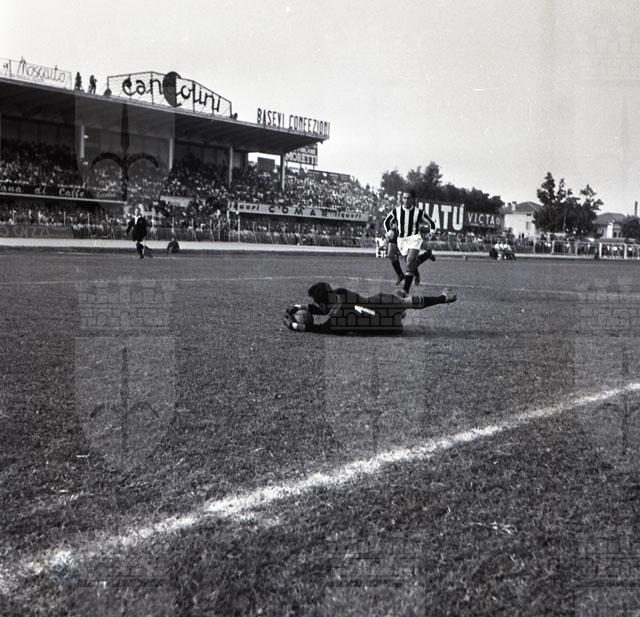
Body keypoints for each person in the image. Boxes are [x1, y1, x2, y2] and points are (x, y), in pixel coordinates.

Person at [283, 281, 457, 334]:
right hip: (381, 308)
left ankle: (399, 311)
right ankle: (442, 298)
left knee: (390, 305)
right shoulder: (341, 292)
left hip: (392, 328)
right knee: (397, 301)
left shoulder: (338, 321)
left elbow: (318, 327)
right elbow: (324, 308)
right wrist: (300, 306)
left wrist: (294, 325)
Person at [383, 189, 436, 295]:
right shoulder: (396, 211)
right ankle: (426, 255)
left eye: (409, 198)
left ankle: (405, 290)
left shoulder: (418, 212)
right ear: (402, 199)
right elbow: (386, 221)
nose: (406, 200)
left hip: (414, 238)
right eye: (404, 198)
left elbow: (431, 223)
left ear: (413, 200)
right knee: (410, 263)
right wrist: (389, 231)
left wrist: (432, 232)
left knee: (409, 261)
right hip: (401, 240)